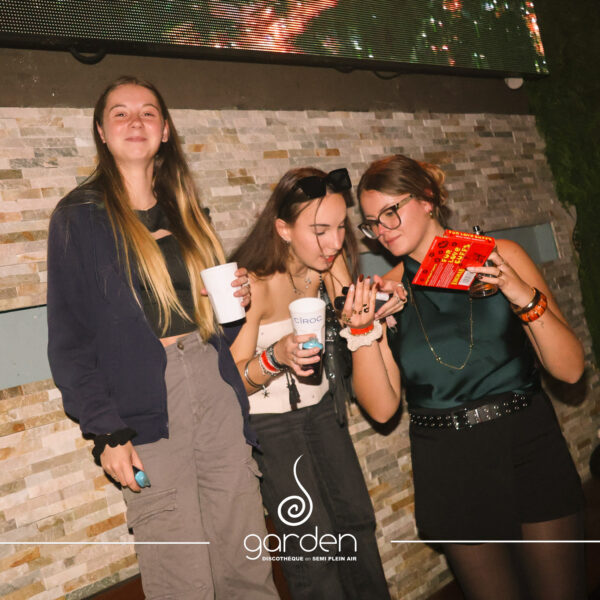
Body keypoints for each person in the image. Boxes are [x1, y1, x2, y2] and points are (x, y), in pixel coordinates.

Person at [46, 76, 278, 600]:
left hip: (214, 388)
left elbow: (218, 323)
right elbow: (69, 340)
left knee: (247, 564)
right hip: (147, 401)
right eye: (120, 113)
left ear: (166, 130)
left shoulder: (187, 211)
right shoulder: (79, 217)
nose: (135, 121)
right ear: (101, 131)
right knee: (182, 580)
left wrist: (236, 300)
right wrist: (106, 432)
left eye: (148, 112)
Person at [342, 154, 586, 600]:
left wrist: (518, 292)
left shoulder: (498, 257)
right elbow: (381, 409)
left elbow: (570, 369)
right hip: (448, 459)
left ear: (427, 199)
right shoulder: (387, 294)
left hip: (526, 439)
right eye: (373, 223)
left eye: (391, 212)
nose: (383, 229)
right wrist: (361, 331)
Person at [230, 167, 391, 599]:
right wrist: (276, 356)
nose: (334, 242)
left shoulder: (328, 264)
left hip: (323, 411)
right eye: (320, 231)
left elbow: (352, 317)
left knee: (356, 524)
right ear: (283, 229)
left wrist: (379, 305)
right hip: (271, 427)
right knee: (312, 549)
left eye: (340, 228)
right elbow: (232, 385)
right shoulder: (255, 283)